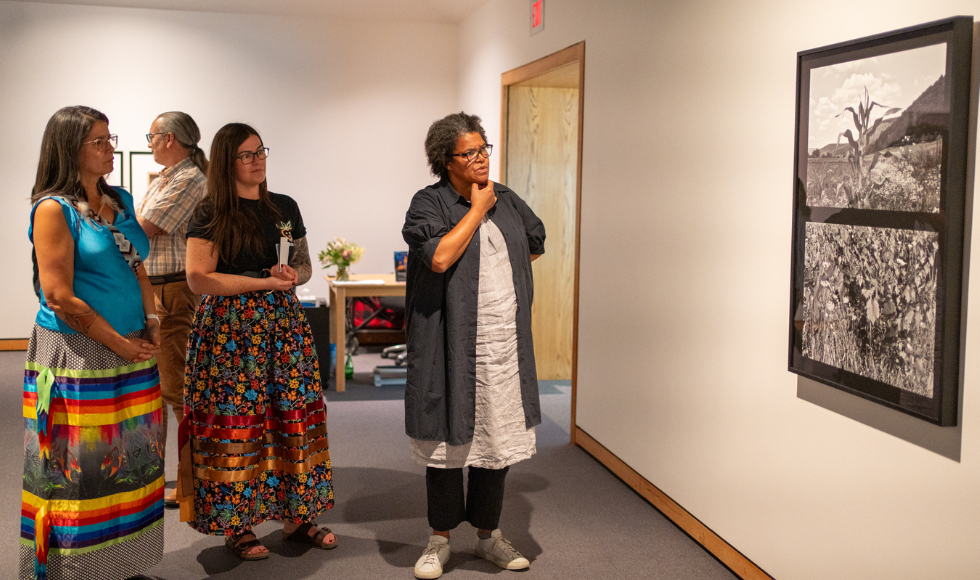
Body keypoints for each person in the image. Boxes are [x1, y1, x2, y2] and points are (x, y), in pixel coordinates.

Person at [181, 122, 334, 560]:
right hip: (230, 332)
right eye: (247, 154)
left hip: (283, 328)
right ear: (227, 163)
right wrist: (261, 281)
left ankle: (298, 516)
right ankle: (238, 525)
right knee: (239, 420)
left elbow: (303, 265)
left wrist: (291, 276)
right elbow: (198, 278)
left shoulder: (284, 207)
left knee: (292, 415)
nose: (258, 160)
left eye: (260, 151)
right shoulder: (212, 211)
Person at [402, 112, 546, 579]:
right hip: (449, 338)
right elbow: (440, 257)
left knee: (496, 440)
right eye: (471, 152)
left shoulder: (506, 197)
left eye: (485, 148)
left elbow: (535, 243)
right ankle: (438, 540)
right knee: (448, 435)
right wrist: (478, 211)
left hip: (501, 343)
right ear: (446, 160)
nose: (482, 158)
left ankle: (489, 535)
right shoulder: (428, 203)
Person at [22, 105, 164, 580]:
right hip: (78, 356)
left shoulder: (118, 199)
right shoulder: (52, 210)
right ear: (69, 149)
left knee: (134, 463)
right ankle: (73, 572)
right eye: (99, 141)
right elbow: (60, 296)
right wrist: (116, 343)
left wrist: (151, 316)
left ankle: (122, 565)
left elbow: (137, 263)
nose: (110, 148)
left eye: (110, 139)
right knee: (78, 471)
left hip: (132, 350)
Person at [138, 111, 208, 507]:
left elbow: (144, 228)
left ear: (168, 139)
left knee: (177, 389)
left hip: (172, 292)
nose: (148, 143)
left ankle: (196, 480)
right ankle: (183, 475)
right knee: (165, 388)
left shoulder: (188, 180)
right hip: (159, 290)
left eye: (151, 136)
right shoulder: (171, 177)